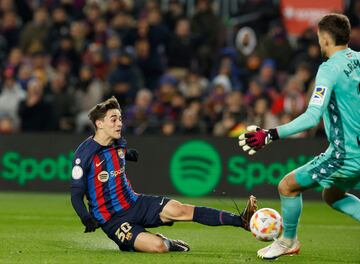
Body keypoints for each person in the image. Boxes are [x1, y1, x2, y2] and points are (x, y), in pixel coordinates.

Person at [238, 13, 360, 260]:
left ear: (325, 38)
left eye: (318, 37)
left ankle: (287, 241)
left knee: (287, 186)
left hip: (344, 155)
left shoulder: (328, 69)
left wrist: (270, 134)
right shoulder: (358, 59)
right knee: (332, 195)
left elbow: (312, 116)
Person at [71, 96, 257, 253]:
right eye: (114, 119)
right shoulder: (84, 154)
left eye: (120, 118)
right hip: (114, 220)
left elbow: (116, 154)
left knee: (179, 209)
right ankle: (168, 242)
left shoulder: (118, 141)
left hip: (136, 203)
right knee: (158, 247)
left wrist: (128, 154)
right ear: (99, 123)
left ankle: (241, 220)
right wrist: (85, 217)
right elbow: (76, 194)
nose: (119, 123)